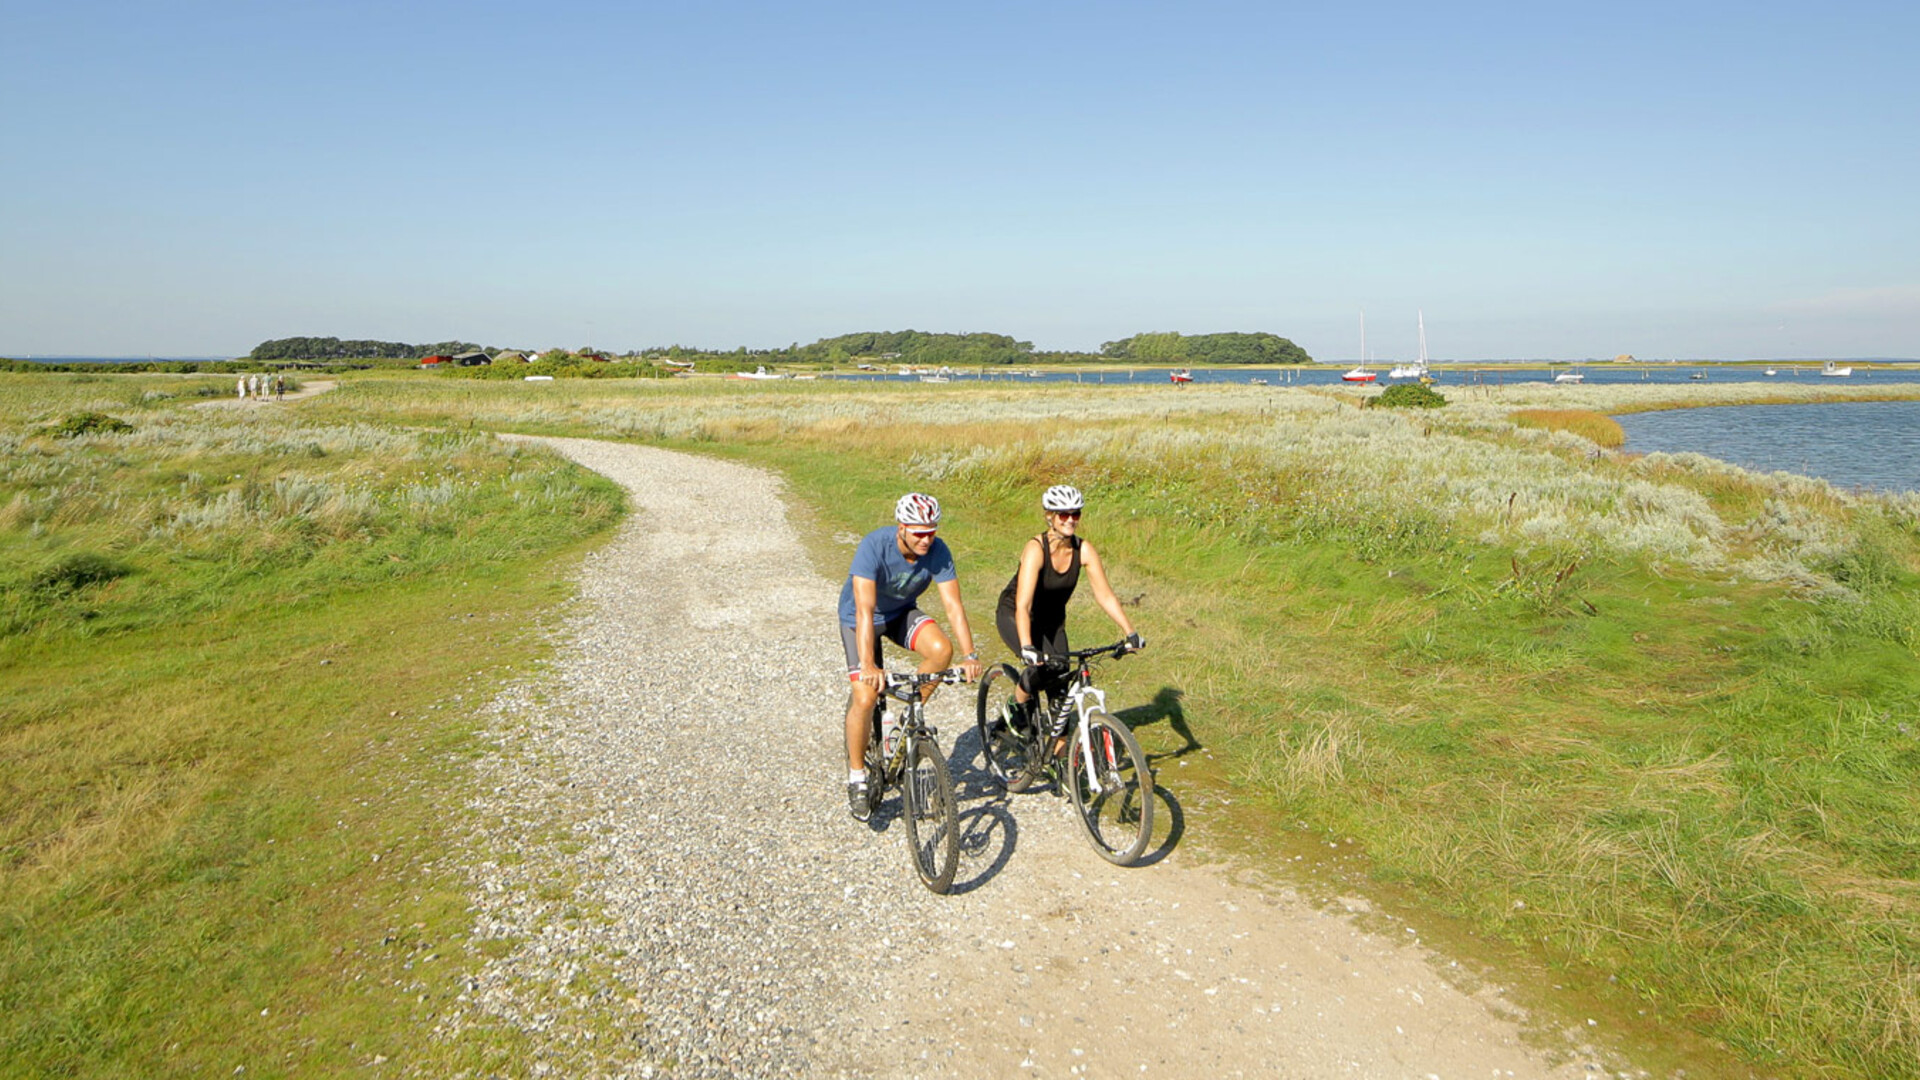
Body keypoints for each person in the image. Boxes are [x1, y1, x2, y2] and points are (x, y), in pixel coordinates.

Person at [838, 492, 984, 821]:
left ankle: (905, 721)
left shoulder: (938, 551)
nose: (926, 539)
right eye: (918, 532)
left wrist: (970, 654)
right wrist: (870, 664)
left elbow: (953, 606)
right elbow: (864, 610)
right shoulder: (873, 546)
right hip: (859, 620)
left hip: (900, 614)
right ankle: (858, 776)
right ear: (901, 527)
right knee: (864, 696)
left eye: (931, 531)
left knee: (941, 650)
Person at [993, 484, 1143, 761]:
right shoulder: (1036, 548)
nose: (1070, 520)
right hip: (1015, 614)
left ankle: (1059, 765)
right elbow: (1023, 605)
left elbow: (1105, 595)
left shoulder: (1083, 549)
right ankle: (1014, 713)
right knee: (1040, 669)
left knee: (1062, 684)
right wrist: (1027, 646)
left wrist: (1130, 631)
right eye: (1063, 515)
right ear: (1049, 516)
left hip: (1051, 621)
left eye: (1076, 514)